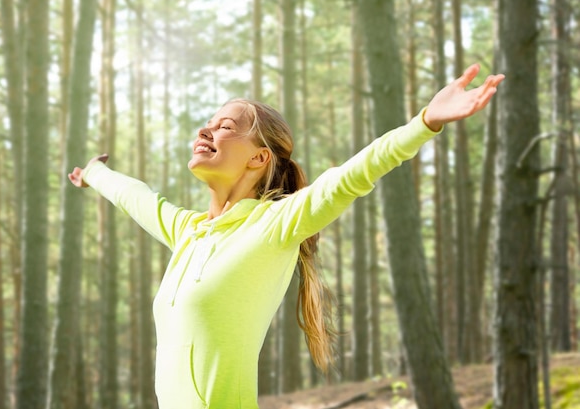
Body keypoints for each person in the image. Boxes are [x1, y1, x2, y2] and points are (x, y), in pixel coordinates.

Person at [69, 63, 504, 409]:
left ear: (259, 157)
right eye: (207, 122)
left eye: (224, 126)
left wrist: (424, 121)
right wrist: (94, 171)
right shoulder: (188, 232)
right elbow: (135, 195)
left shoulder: (275, 225)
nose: (206, 131)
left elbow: (353, 175)